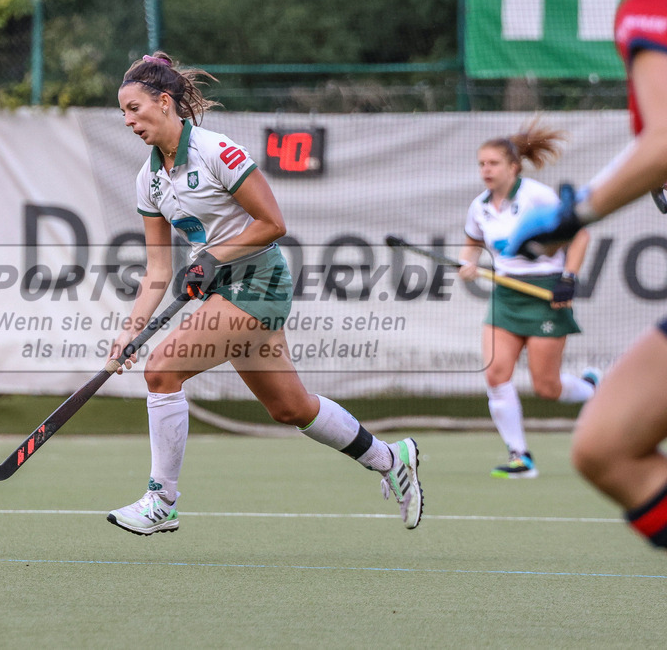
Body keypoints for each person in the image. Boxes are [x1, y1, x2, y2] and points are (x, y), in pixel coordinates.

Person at [105, 51, 423, 536]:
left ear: (164, 102)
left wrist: (212, 257)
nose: (128, 121)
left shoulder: (217, 152)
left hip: (258, 281)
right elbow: (157, 268)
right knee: (290, 407)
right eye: (123, 113)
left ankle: (162, 499)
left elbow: (272, 224)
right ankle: (390, 457)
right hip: (223, 287)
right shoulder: (148, 179)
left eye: (134, 109)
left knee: (163, 370)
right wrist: (130, 331)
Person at [503, 0, 667, 548]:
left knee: (608, 449)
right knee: (604, 447)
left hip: (544, 296)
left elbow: (665, 137)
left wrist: (575, 216)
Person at [458, 121, 598, 479]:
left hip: (544, 292)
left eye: (493, 164)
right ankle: (520, 456)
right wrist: (468, 263)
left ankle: (594, 389)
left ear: (513, 167)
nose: (485, 171)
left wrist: (569, 278)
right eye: (481, 164)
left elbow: (578, 235)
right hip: (506, 294)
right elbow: (472, 242)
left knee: (546, 388)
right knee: (495, 372)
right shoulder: (479, 206)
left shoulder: (537, 196)